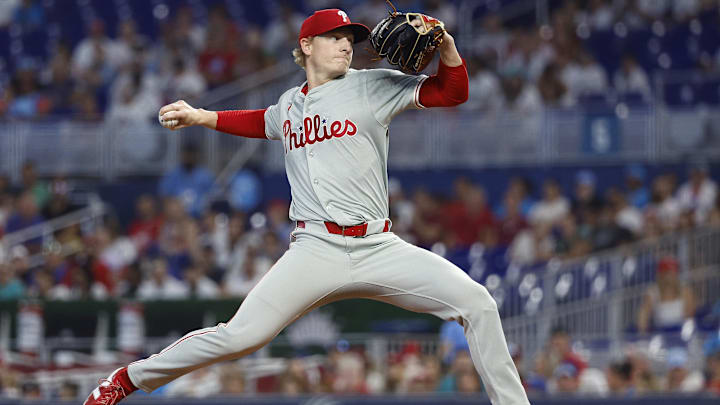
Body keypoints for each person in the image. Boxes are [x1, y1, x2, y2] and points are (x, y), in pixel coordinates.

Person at [84, 8, 529, 405]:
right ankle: (127, 380)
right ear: (306, 45)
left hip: (379, 246)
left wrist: (448, 48)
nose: (345, 45)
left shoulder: (374, 85)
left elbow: (452, 93)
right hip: (315, 248)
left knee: (478, 304)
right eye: (335, 37)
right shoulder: (289, 105)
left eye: (350, 39)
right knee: (241, 336)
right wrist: (203, 116)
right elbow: (263, 121)